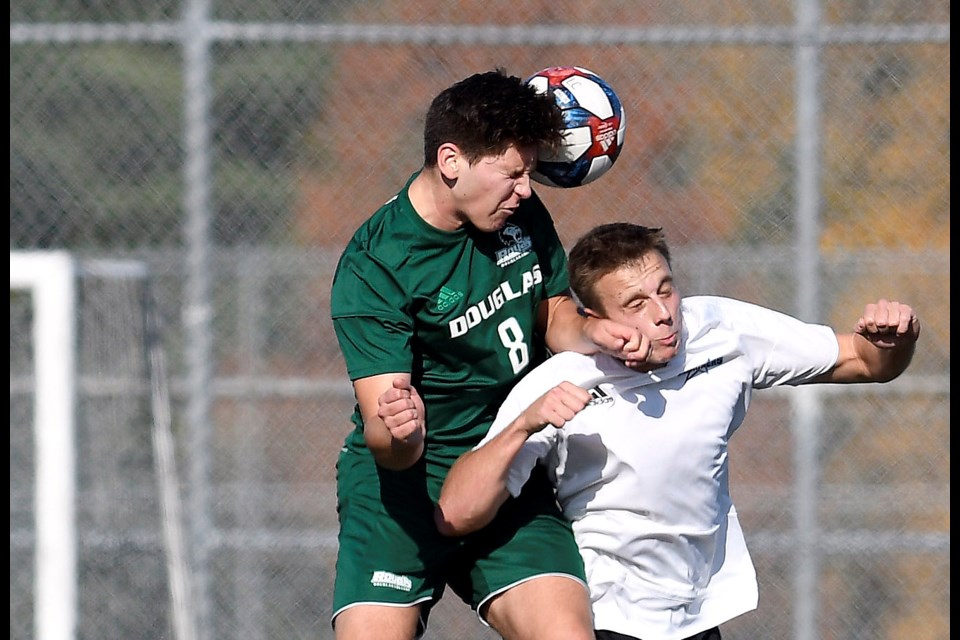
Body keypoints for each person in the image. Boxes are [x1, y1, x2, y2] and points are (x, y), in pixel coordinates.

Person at [435, 222, 921, 640]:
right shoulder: (562, 380)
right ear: (595, 320)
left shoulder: (721, 330)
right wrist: (524, 424)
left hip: (699, 611)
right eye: (635, 303)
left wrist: (893, 342)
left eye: (665, 288)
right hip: (608, 612)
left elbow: (863, 360)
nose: (662, 313)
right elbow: (455, 513)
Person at [329, 70, 647, 640]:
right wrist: (401, 431)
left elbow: (555, 317)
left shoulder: (518, 215)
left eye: (530, 172)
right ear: (452, 161)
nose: (527, 188)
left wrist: (600, 331)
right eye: (513, 173)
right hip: (400, 494)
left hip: (506, 466)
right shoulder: (374, 265)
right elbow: (386, 440)